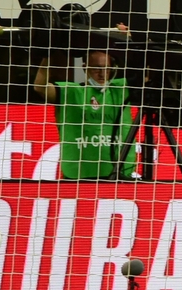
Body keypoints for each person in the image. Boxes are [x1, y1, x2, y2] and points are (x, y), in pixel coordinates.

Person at [33, 25, 138, 180]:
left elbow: (149, 75)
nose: (103, 74)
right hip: (78, 175)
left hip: (118, 174)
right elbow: (39, 87)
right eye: (97, 69)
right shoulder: (72, 92)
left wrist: (128, 41)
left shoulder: (121, 89)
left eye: (107, 69)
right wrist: (49, 50)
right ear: (85, 68)